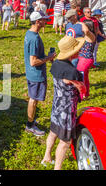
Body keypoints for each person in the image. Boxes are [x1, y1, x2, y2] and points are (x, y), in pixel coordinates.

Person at [42, 35, 86, 170]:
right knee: (65, 141)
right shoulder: (72, 71)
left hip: (56, 104)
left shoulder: (55, 64)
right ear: (72, 52)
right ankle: (57, 168)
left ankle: (46, 157)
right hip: (67, 109)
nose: (79, 51)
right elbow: (80, 87)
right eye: (77, 49)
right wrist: (82, 87)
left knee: (53, 131)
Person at [24, 11, 55, 136]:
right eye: (44, 20)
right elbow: (33, 61)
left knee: (34, 99)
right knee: (33, 99)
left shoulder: (29, 33)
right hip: (35, 75)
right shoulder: (35, 38)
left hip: (32, 74)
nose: (46, 21)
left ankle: (31, 122)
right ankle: (30, 125)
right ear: (38, 22)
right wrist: (49, 57)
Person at [76, 19, 96, 99]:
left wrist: (79, 22)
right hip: (83, 58)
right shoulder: (85, 35)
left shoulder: (90, 36)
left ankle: (80, 96)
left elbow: (86, 31)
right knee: (85, 78)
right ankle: (86, 94)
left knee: (80, 78)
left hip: (85, 59)